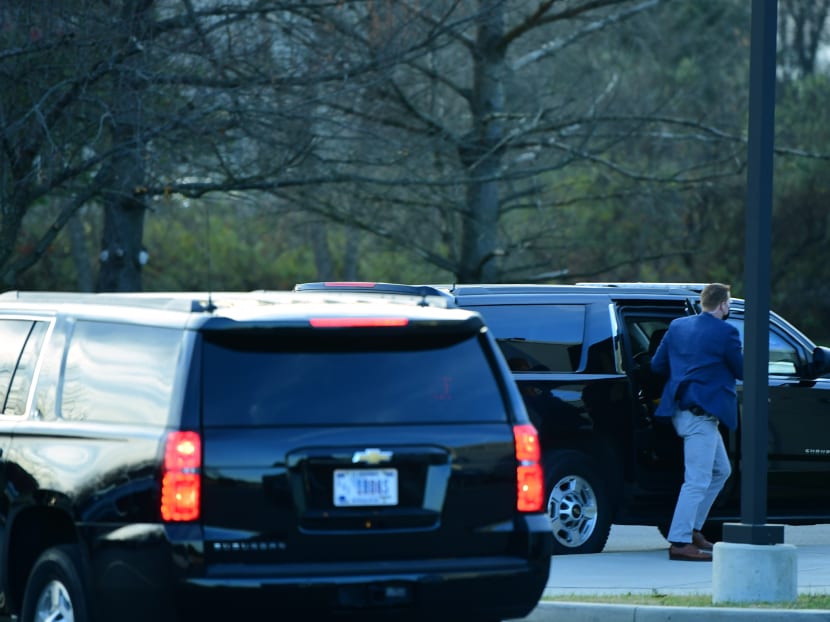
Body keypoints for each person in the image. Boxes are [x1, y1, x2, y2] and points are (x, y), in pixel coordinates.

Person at [650, 283, 744, 562]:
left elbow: (657, 365)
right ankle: (679, 542)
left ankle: (692, 530)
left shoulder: (678, 326)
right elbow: (742, 370)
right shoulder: (726, 332)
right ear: (723, 304)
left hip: (682, 410)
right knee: (697, 480)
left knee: (721, 470)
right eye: (728, 303)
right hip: (700, 415)